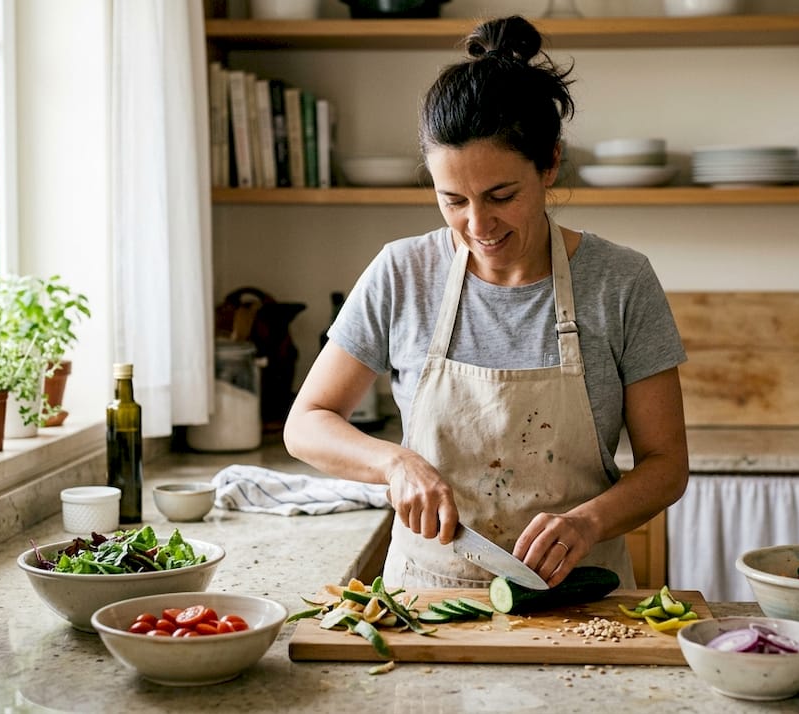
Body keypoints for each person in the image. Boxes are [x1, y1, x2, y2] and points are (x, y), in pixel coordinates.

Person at [284, 15, 689, 590]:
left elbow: (666, 464)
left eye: (501, 196)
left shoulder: (619, 280)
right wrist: (394, 463)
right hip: (428, 599)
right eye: (452, 200)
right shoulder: (402, 273)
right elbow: (306, 424)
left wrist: (588, 521)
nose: (477, 225)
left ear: (549, 164)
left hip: (578, 600)